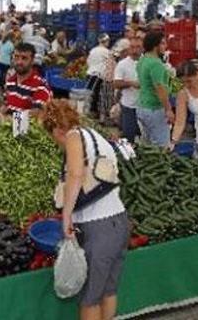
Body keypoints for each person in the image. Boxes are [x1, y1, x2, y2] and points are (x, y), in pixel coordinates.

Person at [40, 100, 128, 320]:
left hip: (97, 227)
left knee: (90, 298)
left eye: (54, 137)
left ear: (58, 129)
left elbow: (75, 175)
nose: (57, 143)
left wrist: (66, 215)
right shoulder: (94, 136)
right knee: (108, 290)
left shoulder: (73, 137)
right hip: (118, 221)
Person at [136, 32, 173, 148]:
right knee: (160, 148)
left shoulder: (143, 60)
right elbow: (160, 89)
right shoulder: (156, 64)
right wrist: (168, 110)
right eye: (162, 43)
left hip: (142, 107)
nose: (165, 46)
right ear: (155, 45)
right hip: (155, 109)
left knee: (148, 147)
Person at [3, 43, 51, 116]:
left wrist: (12, 117)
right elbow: (6, 105)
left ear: (32, 61)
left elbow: (38, 113)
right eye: (16, 57)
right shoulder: (10, 82)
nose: (19, 62)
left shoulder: (40, 85)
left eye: (24, 58)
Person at [113, 38, 142, 143]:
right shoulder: (122, 64)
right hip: (129, 106)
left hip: (145, 107)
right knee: (128, 136)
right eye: (132, 47)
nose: (135, 50)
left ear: (142, 48)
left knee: (144, 137)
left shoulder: (147, 63)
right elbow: (116, 83)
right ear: (128, 49)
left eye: (138, 47)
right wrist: (131, 83)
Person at [85, 34, 112, 117]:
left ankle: (89, 110)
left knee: (90, 93)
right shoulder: (106, 51)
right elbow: (110, 64)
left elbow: (88, 61)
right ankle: (94, 112)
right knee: (97, 94)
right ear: (106, 42)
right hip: (98, 75)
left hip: (90, 73)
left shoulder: (93, 50)